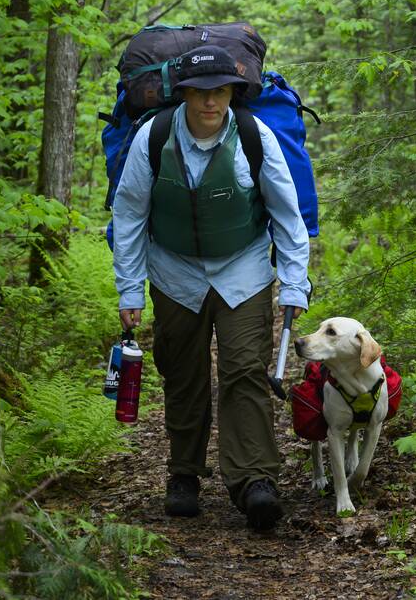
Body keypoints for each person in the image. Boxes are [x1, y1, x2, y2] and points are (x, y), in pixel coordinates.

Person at [111, 43, 310, 531]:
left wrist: (294, 282)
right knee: (184, 374)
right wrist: (130, 289)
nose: (209, 103)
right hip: (174, 272)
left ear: (232, 94)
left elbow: (287, 213)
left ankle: (255, 480)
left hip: (243, 271)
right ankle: (184, 476)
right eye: (200, 92)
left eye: (220, 92)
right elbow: (131, 213)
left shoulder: (253, 135)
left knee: (245, 370)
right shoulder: (153, 138)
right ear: (182, 95)